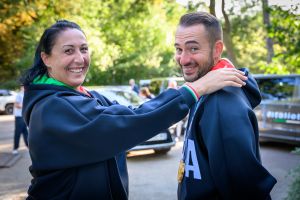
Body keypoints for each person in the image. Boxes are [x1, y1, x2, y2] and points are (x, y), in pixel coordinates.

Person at [20, 20, 247, 199]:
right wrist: (194, 90)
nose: (80, 58)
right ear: (46, 58)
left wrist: (211, 74)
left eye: (84, 49)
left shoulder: (85, 96)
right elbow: (131, 123)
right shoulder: (51, 108)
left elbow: (135, 111)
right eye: (68, 51)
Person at [174, 12, 277, 200]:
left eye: (193, 49)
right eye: (179, 49)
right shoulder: (204, 90)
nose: (183, 59)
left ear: (217, 49)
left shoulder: (221, 103)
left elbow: (245, 190)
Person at [12, 85, 28, 155]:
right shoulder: (19, 95)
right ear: (21, 87)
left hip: (23, 116)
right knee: (18, 132)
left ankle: (28, 146)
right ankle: (15, 148)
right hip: (19, 116)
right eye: (23, 86)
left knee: (25, 132)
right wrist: (25, 105)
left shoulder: (25, 94)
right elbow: (16, 105)